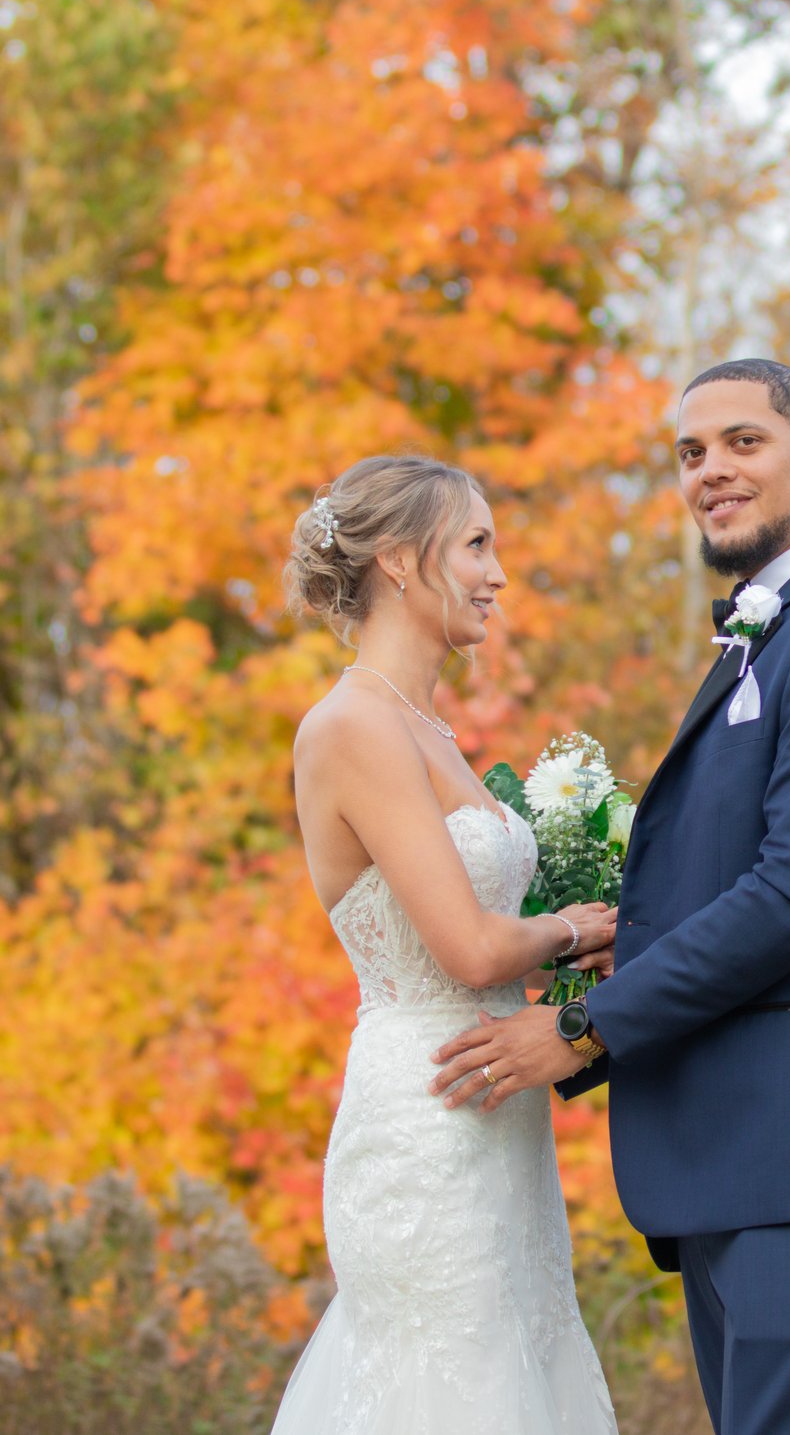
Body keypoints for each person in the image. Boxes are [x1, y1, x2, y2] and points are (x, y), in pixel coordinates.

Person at [434, 360, 790, 1434]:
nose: (710, 470)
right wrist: (619, 943)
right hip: (743, 1155)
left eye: (743, 441)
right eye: (691, 452)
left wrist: (588, 1027)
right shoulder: (765, 635)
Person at [270, 455, 619, 1435]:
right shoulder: (353, 726)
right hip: (429, 1109)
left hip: (498, 1110)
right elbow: (467, 948)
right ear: (396, 559)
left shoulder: (430, 729)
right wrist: (578, 926)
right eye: (475, 544)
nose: (497, 571)